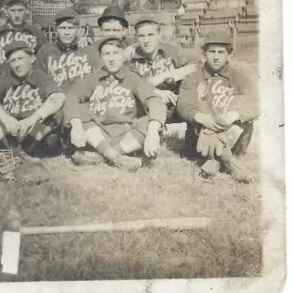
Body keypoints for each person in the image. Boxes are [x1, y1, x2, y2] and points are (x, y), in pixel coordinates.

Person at [63, 36, 166, 171]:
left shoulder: (133, 78)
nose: (111, 59)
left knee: (150, 122)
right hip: (98, 134)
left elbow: (154, 100)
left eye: (116, 53)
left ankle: (103, 156)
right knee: (79, 111)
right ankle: (117, 159)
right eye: (106, 54)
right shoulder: (92, 78)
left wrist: (153, 130)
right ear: (100, 57)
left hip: (126, 135)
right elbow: (71, 97)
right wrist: (76, 126)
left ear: (124, 55)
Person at [176, 31, 259, 183]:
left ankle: (215, 160)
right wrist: (202, 118)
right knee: (201, 105)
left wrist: (233, 115)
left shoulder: (239, 76)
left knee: (241, 102)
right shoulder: (193, 77)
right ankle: (227, 161)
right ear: (204, 53)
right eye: (211, 51)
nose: (215, 56)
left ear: (229, 55)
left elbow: (256, 102)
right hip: (199, 140)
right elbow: (183, 103)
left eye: (221, 52)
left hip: (233, 138)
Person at [0, 40, 66, 160]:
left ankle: (25, 149)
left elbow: (58, 96)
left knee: (57, 112)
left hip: (34, 129)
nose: (17, 64)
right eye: (13, 60)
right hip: (11, 128)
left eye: (21, 58)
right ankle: (15, 149)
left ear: (32, 59)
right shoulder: (5, 77)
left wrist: (34, 117)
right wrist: (4, 116)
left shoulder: (40, 76)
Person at [127, 16, 198, 121]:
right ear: (136, 37)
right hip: (147, 106)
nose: (146, 40)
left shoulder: (172, 51)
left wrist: (163, 76)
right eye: (141, 36)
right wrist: (155, 92)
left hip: (175, 103)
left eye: (150, 35)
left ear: (159, 35)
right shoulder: (132, 59)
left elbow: (195, 66)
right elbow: (129, 87)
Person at [35, 8, 100, 91]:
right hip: (55, 99)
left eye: (71, 28)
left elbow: (97, 81)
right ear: (55, 29)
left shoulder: (89, 51)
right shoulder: (45, 52)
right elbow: (39, 81)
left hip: (82, 101)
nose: (66, 33)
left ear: (78, 29)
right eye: (62, 28)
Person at [0, 0, 48, 73]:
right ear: (6, 11)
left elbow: (45, 60)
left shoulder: (36, 34)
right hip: (4, 82)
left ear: (27, 10)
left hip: (28, 82)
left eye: (20, 10)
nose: (17, 15)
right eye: (13, 10)